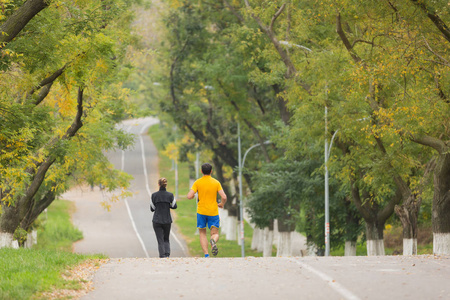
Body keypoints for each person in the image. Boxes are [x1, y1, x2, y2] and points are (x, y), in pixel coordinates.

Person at [187, 163, 227, 257]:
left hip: (201, 212)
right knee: (215, 233)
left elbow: (189, 196)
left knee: (202, 233)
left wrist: (193, 195)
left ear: (201, 171)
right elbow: (224, 197)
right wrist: (222, 204)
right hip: (213, 212)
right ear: (211, 171)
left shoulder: (197, 182)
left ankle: (206, 254)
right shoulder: (216, 182)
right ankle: (213, 241)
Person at [150, 178, 177, 258]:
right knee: (166, 238)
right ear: (166, 185)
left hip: (157, 220)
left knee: (160, 239)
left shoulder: (154, 195)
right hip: (167, 220)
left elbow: (152, 208)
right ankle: (167, 254)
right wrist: (167, 205)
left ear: (158, 184)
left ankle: (162, 255)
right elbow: (174, 206)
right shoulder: (170, 195)